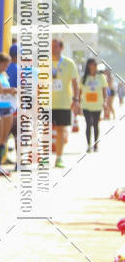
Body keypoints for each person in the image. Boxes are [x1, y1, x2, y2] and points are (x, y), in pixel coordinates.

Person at [51, 39, 80, 169]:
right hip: (47, 102)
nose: (53, 49)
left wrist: (76, 99)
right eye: (51, 46)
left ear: (61, 48)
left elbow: (75, 82)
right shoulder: (45, 62)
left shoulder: (69, 63)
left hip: (63, 103)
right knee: (45, 130)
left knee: (61, 130)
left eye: (56, 46)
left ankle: (59, 158)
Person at [0, 52, 17, 175]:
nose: (6, 68)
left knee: (4, 138)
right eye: (5, 65)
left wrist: (11, 91)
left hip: (7, 106)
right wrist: (10, 90)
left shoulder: (3, 74)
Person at [80, 59, 108, 152]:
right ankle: (88, 145)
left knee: (95, 124)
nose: (94, 66)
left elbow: (104, 91)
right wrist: (78, 105)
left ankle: (96, 144)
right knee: (88, 124)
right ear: (89, 66)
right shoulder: (84, 78)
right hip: (86, 105)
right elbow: (80, 92)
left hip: (97, 105)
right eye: (92, 64)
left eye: (95, 65)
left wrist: (105, 102)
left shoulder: (101, 77)